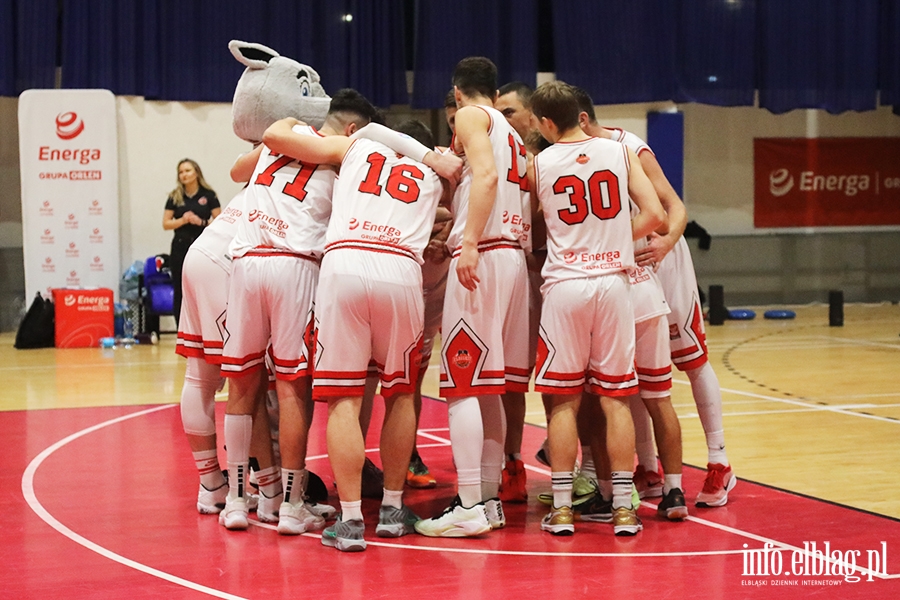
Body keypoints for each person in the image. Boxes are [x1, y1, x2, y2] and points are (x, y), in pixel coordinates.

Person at [263, 116, 461, 551]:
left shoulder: (354, 147)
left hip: (346, 263)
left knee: (344, 400)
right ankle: (392, 510)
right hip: (402, 269)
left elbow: (276, 138)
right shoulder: (438, 167)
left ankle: (351, 520)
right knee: (401, 393)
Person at [217, 89, 378, 535]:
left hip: (247, 261)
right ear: (351, 131)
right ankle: (290, 505)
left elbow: (235, 170)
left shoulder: (282, 136)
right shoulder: (345, 159)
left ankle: (236, 500)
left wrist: (281, 132)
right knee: (292, 390)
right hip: (296, 264)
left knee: (241, 385)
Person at [572, 87, 736, 507]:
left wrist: (665, 244)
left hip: (661, 255)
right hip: (619, 265)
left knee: (691, 359)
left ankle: (719, 462)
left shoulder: (629, 146)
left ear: (584, 120)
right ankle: (648, 465)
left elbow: (674, 208)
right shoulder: (569, 155)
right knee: (634, 369)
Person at [529, 81, 667, 536]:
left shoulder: (540, 163)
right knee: (616, 399)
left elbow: (536, 227)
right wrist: (609, 242)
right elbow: (654, 216)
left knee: (563, 402)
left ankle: (564, 507)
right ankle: (624, 508)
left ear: (548, 123)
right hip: (612, 283)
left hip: (566, 285)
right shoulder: (618, 150)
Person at [414, 57, 532, 538]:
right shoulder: (516, 134)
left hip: (484, 258)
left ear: (458, 92)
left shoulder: (471, 116)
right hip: (512, 260)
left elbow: (484, 178)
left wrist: (467, 243)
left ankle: (466, 503)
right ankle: (486, 500)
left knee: (463, 385)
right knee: (491, 388)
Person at [162, 159, 221, 326]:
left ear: (196, 172)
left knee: (202, 288)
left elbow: (221, 221)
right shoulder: (175, 196)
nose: (184, 175)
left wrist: (201, 222)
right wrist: (182, 220)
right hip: (180, 246)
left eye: (187, 170)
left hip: (202, 246)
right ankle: (181, 330)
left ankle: (204, 327)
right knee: (180, 288)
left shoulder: (208, 195)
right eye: (181, 172)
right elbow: (166, 223)